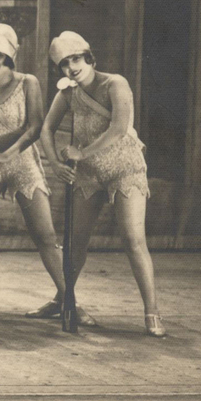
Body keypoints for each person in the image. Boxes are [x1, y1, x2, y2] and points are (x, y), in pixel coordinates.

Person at [40, 31, 165, 337]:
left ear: (89, 57)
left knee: (134, 239)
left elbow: (120, 127)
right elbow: (45, 128)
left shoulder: (115, 83)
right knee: (75, 241)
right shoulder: (68, 94)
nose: (72, 67)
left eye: (77, 59)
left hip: (126, 167)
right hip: (89, 173)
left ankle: (152, 312)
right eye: (65, 63)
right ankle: (64, 299)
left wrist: (81, 152)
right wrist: (56, 164)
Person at [0, 24, 70, 319]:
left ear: (9, 56)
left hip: (22, 162)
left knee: (45, 235)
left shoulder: (28, 82)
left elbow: (35, 126)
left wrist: (7, 153)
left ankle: (68, 300)